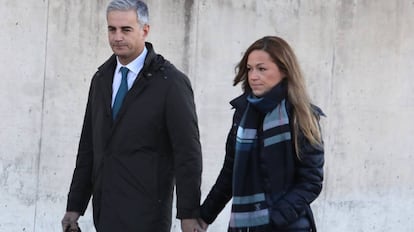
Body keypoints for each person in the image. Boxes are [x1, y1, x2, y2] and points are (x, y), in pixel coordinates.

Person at [61, 0, 204, 231]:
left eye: (126, 29)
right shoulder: (101, 79)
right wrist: (74, 206)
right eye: (112, 29)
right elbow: (89, 147)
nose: (117, 37)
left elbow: (188, 153)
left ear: (144, 30)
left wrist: (188, 215)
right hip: (105, 214)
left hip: (147, 217)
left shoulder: (171, 83)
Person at [198, 36, 325, 232]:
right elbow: (229, 174)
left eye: (262, 69)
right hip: (245, 227)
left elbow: (311, 181)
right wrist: (204, 216)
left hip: (288, 227)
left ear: (284, 70)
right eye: (249, 69)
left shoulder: (301, 116)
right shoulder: (242, 114)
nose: (253, 76)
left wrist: (273, 218)